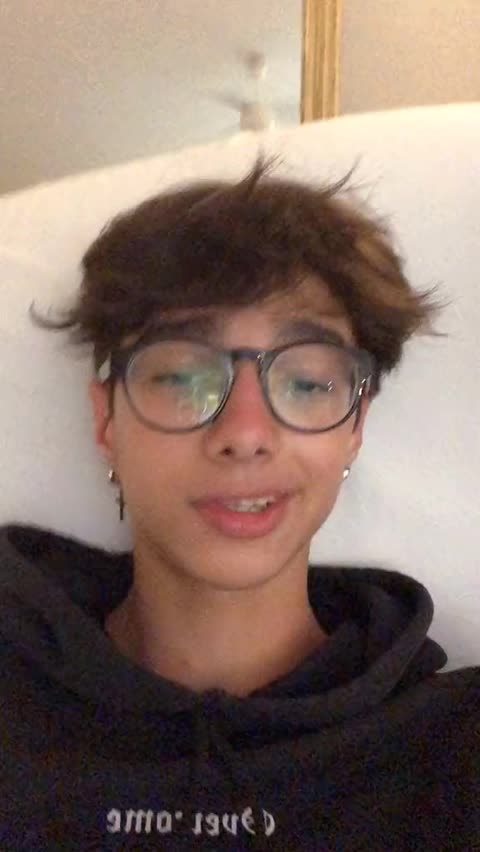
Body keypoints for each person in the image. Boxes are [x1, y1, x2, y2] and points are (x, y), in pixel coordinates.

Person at [1, 158, 478, 851]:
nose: (246, 433)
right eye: (182, 377)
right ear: (106, 421)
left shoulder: (454, 750)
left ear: (355, 427)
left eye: (307, 384)